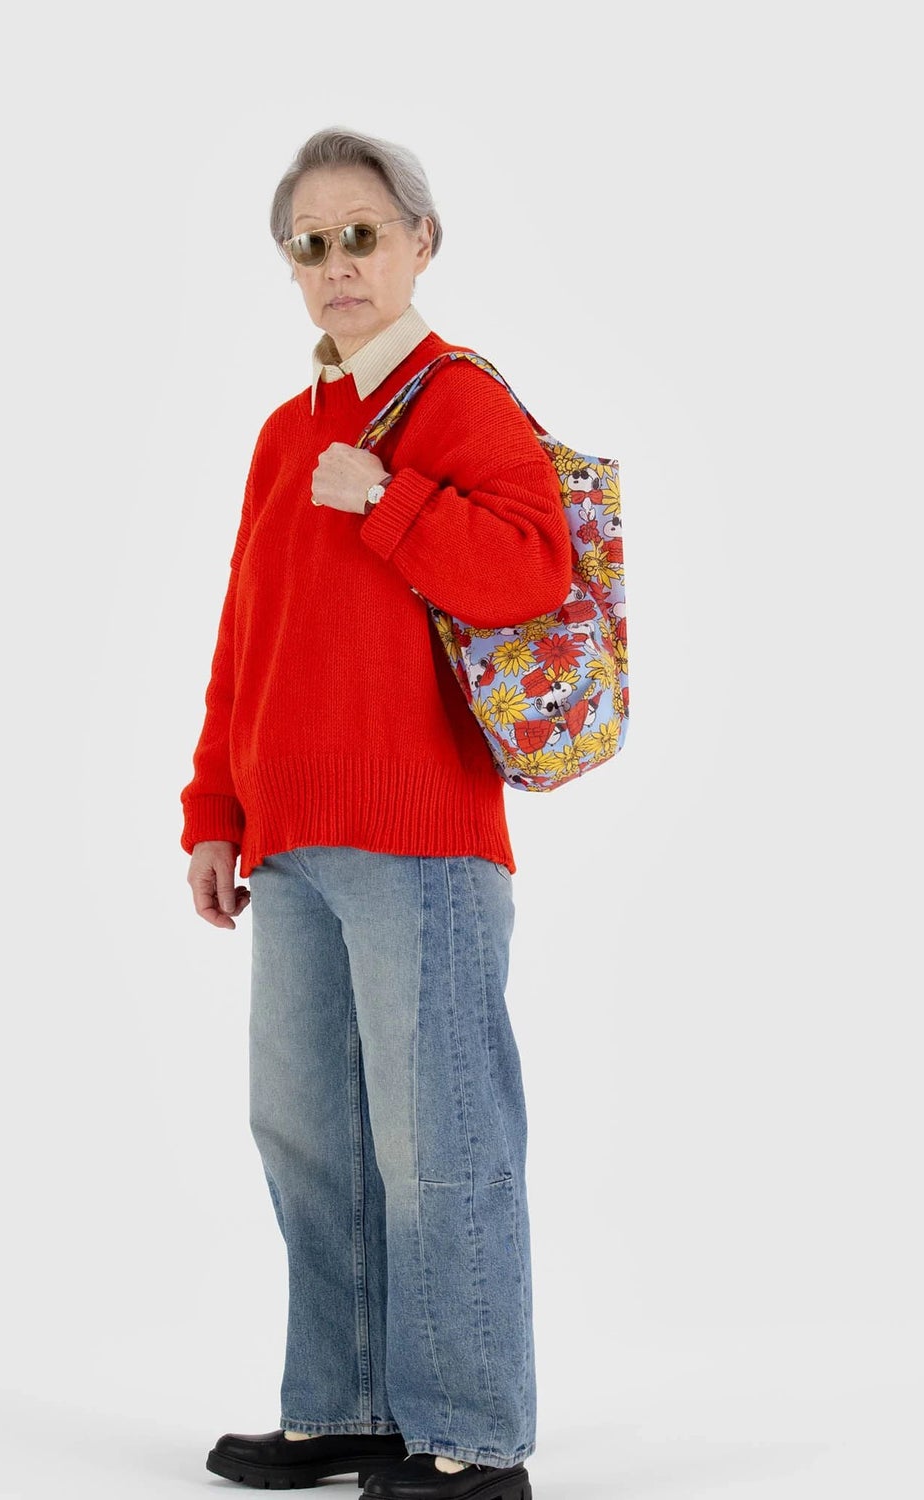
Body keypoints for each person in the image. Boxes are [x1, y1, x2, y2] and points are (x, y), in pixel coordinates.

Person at [183, 126, 572, 1500]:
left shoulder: (456, 400)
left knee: (444, 1144)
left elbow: (536, 572)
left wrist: (394, 501)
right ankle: (347, 1406)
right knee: (308, 1137)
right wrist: (213, 808)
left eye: (362, 233)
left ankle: (473, 1441)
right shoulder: (283, 434)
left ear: (420, 241)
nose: (337, 262)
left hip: (423, 841)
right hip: (290, 845)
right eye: (312, 242)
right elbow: (249, 636)